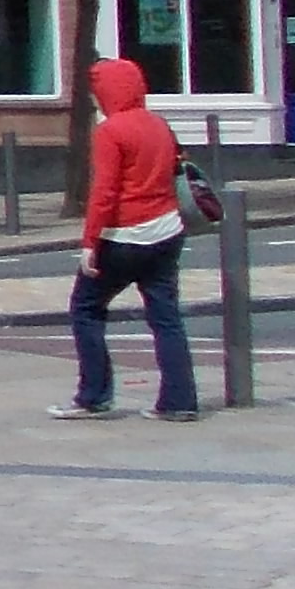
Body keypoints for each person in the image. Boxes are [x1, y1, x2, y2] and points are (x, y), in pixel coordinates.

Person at [59, 56, 202, 420]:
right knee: (166, 318)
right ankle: (179, 402)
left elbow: (104, 192)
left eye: (96, 91)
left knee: (86, 308)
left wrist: (90, 243)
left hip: (123, 235)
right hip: (167, 231)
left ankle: (94, 396)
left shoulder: (110, 131)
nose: (94, 98)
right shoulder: (159, 124)